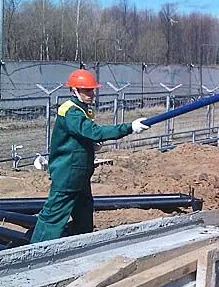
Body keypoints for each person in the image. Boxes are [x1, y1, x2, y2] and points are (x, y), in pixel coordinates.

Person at [30, 69, 150, 243]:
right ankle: (34, 252)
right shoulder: (70, 111)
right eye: (87, 90)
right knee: (53, 216)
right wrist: (129, 127)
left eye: (92, 90)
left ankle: (81, 246)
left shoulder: (82, 109)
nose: (91, 94)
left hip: (80, 173)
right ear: (74, 90)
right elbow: (94, 131)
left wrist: (91, 145)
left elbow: (81, 135)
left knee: (84, 214)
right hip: (67, 174)